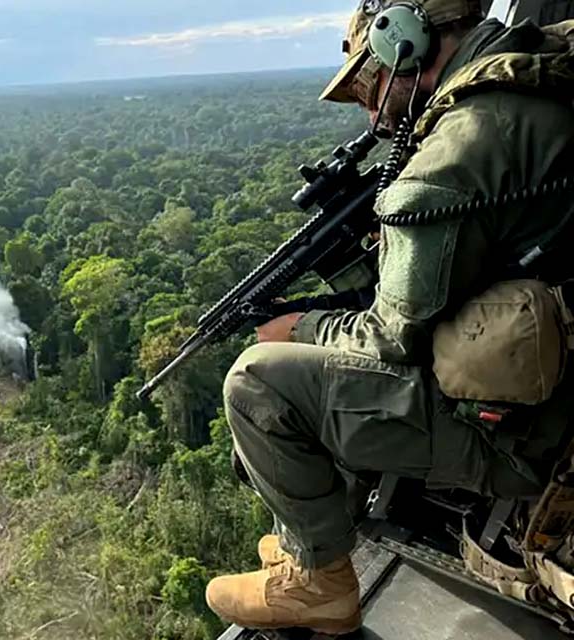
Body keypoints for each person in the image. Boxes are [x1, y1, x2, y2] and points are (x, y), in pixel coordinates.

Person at [205, 0, 574, 634]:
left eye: (369, 80)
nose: (369, 106)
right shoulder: (542, 78)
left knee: (259, 380)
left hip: (530, 438)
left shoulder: (459, 148)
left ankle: (318, 583)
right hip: (558, 390)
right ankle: (309, 538)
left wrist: (299, 328)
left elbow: (387, 339)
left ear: (406, 39)